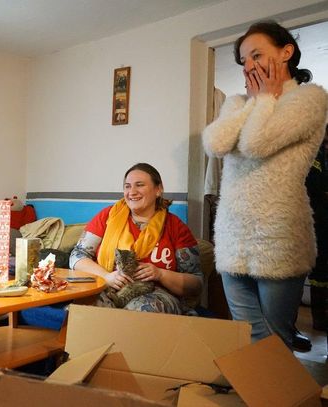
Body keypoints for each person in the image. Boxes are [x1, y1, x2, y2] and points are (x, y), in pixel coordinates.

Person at [202, 21, 327, 348]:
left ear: (286, 52)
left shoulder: (309, 100)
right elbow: (215, 144)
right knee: (247, 335)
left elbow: (257, 143)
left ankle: (280, 394)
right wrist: (254, 102)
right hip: (231, 234)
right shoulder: (236, 103)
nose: (249, 66)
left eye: (257, 55)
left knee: (274, 338)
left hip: (278, 236)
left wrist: (265, 99)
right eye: (244, 60)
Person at [69, 163, 203, 314]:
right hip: (110, 287)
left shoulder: (175, 226)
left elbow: (196, 283)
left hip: (155, 294)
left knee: (139, 310)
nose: (132, 192)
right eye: (127, 186)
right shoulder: (108, 216)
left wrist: (160, 274)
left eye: (139, 185)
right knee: (83, 308)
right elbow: (77, 256)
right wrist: (107, 276)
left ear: (158, 190)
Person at [306, 123, 328, 333]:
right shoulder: (314, 153)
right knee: (318, 271)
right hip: (315, 220)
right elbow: (311, 185)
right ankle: (319, 319)